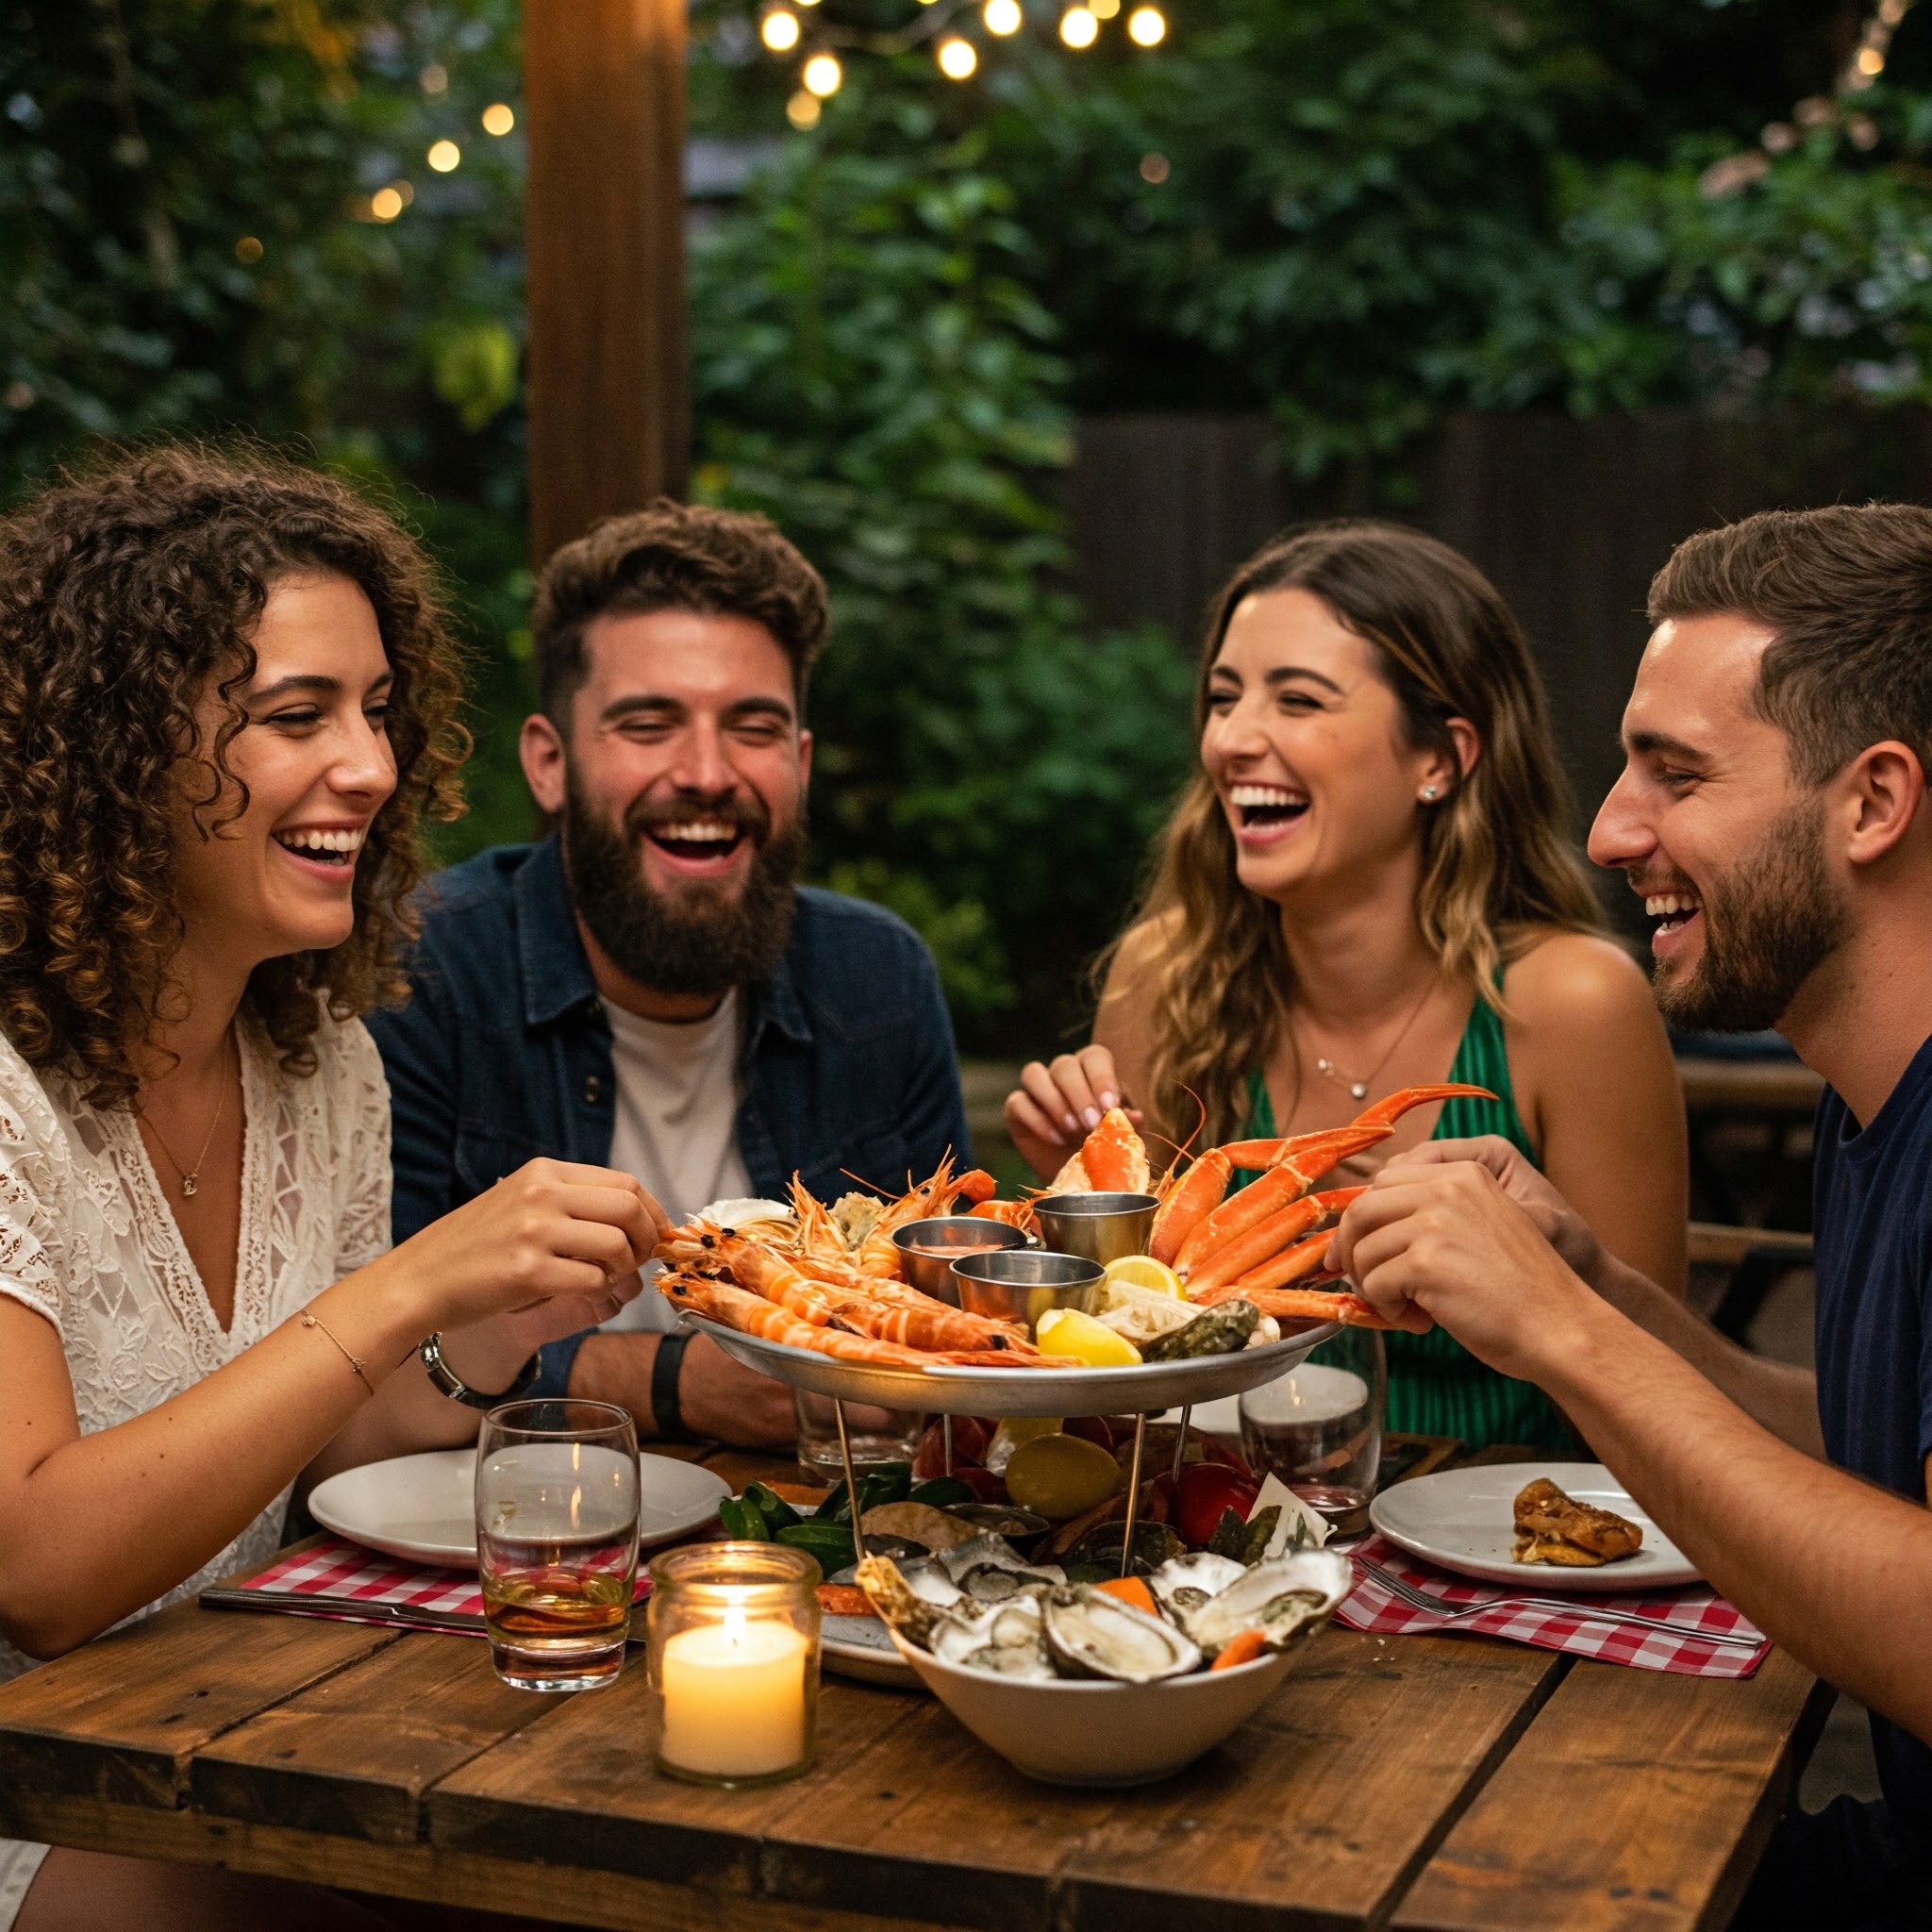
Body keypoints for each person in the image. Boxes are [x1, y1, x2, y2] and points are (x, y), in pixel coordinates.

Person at [0, 446, 669, 1932]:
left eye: (377, 710)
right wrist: (411, 1283)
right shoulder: (6, 1089)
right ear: (115, 755)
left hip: (234, 1726)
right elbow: (36, 1571)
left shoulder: (319, 1062)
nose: (370, 765)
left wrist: (490, 1327)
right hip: (49, 1797)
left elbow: (328, 1444)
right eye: (297, 716)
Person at [1331, 502, 1932, 1928]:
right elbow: (1864, 1452)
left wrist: (1561, 1340)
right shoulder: (1869, 1101)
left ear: (1872, 801)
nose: (1608, 831)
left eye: (1675, 774)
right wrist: (1601, 1287)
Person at [1004, 520, 1687, 1450]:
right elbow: (1133, 1330)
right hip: (1225, 1525)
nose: (1232, 739)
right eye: (1221, 697)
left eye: (1297, 700)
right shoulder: (1164, 975)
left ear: (1439, 759)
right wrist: (1078, 1200)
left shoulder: (1572, 1000)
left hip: (1513, 1550)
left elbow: (1654, 1382)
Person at [367, 502, 972, 1450]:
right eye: (648, 724)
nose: (704, 770)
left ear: (799, 764)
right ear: (549, 762)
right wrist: (675, 1381)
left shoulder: (880, 981)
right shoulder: (423, 972)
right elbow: (365, 1356)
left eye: (753, 727)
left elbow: (944, 1333)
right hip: (497, 1551)